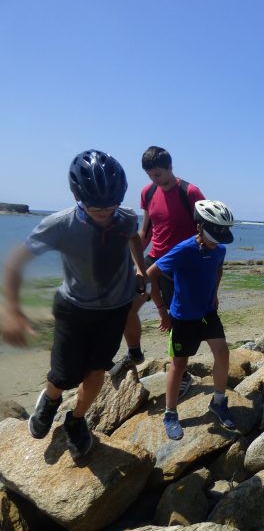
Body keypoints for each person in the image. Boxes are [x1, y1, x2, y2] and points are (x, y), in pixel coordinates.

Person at [2, 150, 146, 456]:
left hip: (115, 309)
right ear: (77, 195)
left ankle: (76, 420)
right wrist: (12, 311)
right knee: (63, 376)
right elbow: (15, 263)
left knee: (97, 372)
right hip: (74, 309)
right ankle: (50, 400)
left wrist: (139, 266)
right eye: (97, 207)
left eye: (112, 205)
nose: (106, 212)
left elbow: (134, 236)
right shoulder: (59, 225)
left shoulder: (127, 217)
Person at [116, 146, 204, 399]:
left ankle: (182, 374)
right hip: (155, 258)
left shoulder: (191, 192)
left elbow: (206, 231)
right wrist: (133, 263)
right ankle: (134, 353)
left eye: (159, 175)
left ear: (170, 168)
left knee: (178, 322)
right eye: (150, 175)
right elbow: (146, 230)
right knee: (127, 307)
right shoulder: (148, 192)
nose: (155, 180)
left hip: (183, 263)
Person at [148, 200, 237, 440]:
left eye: (222, 234)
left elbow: (218, 269)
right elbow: (150, 275)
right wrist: (161, 311)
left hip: (207, 312)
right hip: (183, 317)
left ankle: (218, 402)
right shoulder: (184, 249)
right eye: (214, 234)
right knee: (179, 366)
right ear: (199, 226)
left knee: (223, 353)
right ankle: (170, 413)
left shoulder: (219, 249)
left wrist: (215, 294)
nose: (217, 240)